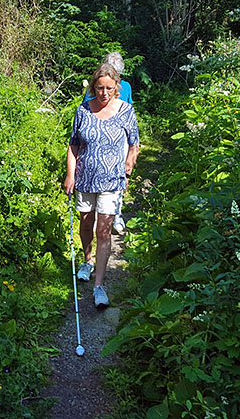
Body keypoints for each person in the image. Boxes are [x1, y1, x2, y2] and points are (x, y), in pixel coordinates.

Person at [65, 63, 140, 307]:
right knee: (86, 225)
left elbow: (134, 143)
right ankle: (87, 260)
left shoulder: (126, 111)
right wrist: (70, 175)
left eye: (109, 88)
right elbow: (73, 145)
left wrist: (129, 163)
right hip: (85, 178)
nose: (104, 93)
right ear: (93, 87)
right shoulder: (83, 110)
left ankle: (99, 285)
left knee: (104, 231)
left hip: (112, 180)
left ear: (116, 88)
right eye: (99, 88)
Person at [82, 53, 134, 234]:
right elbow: (87, 108)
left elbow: (129, 111)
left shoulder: (126, 87)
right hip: (96, 137)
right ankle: (99, 216)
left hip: (119, 139)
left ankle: (116, 215)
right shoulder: (95, 90)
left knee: (116, 177)